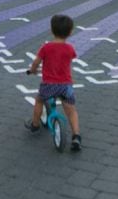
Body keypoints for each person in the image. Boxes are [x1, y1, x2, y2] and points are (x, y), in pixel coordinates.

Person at [24, 14, 81, 152]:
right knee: (71, 110)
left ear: (51, 30)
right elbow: (68, 61)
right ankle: (76, 136)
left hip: (49, 85)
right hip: (65, 85)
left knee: (39, 101)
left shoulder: (46, 48)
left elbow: (36, 62)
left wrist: (32, 70)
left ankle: (35, 124)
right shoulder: (70, 49)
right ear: (70, 32)